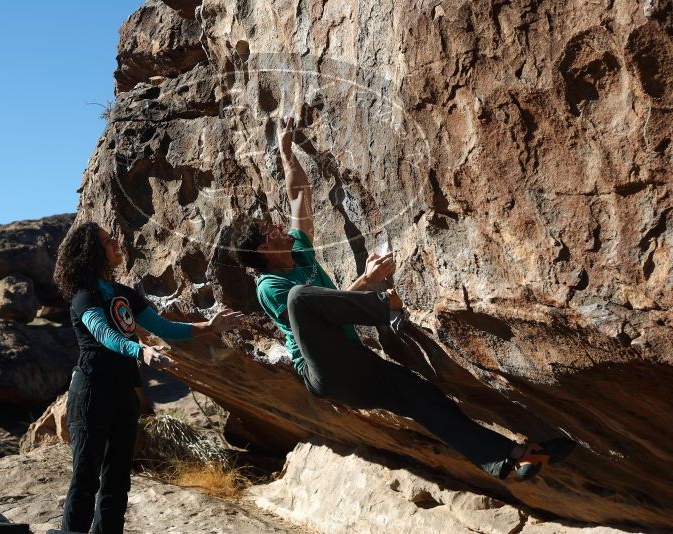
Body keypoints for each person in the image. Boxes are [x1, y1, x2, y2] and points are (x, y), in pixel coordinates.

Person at [231, 116, 574, 481]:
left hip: (356, 364)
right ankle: (385, 306)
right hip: (324, 370)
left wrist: (286, 150)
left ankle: (511, 459)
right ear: (265, 249)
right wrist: (368, 281)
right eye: (271, 230)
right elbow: (321, 313)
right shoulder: (270, 285)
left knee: (425, 398)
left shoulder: (298, 250)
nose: (281, 226)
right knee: (301, 298)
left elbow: (299, 194)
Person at [53, 222, 241, 533]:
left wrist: (209, 326)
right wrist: (140, 351)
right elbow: (102, 333)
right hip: (91, 391)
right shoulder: (84, 296)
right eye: (106, 240)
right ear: (91, 251)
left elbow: (164, 327)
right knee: (86, 477)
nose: (116, 243)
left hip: (124, 391)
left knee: (117, 478)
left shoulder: (124, 294)